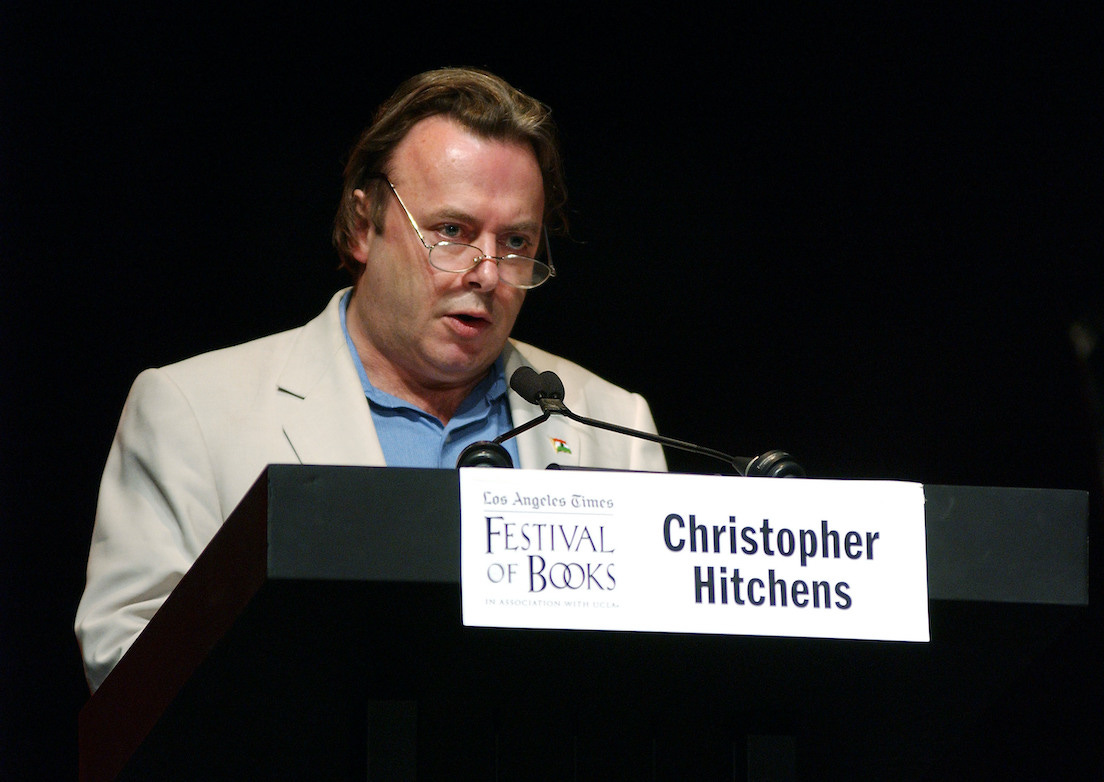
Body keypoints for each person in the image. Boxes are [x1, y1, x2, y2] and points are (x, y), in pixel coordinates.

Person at [75, 67, 668, 692]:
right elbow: (127, 658)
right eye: (452, 231)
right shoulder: (193, 410)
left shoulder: (615, 427)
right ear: (364, 224)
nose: (488, 274)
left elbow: (657, 666)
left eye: (516, 241)